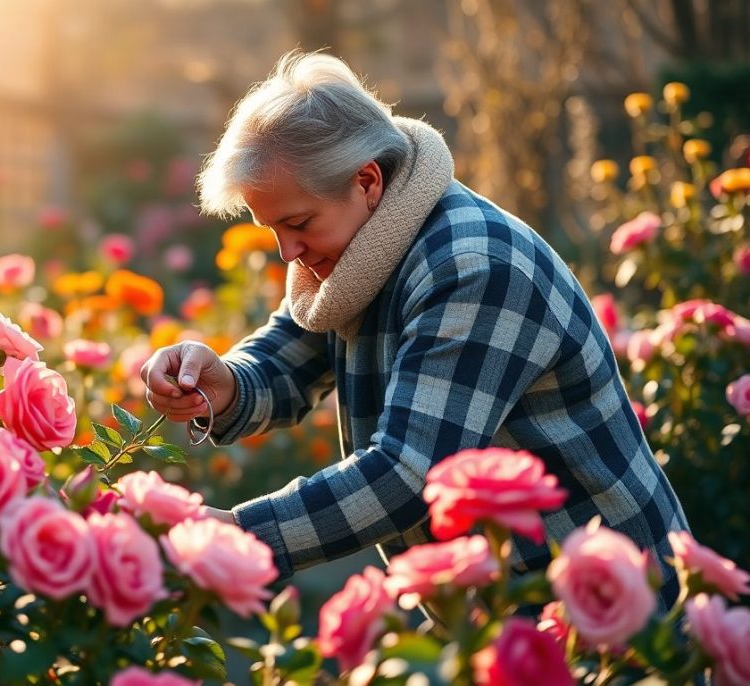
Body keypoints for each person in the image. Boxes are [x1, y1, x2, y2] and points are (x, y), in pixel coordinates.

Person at [141, 51, 690, 608]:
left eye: (298, 223)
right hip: (509, 596)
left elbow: (408, 475)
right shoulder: (363, 243)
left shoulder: (474, 268)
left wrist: (238, 534)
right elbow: (288, 354)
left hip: (616, 601)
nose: (288, 252)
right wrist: (223, 382)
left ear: (367, 181)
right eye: (273, 230)